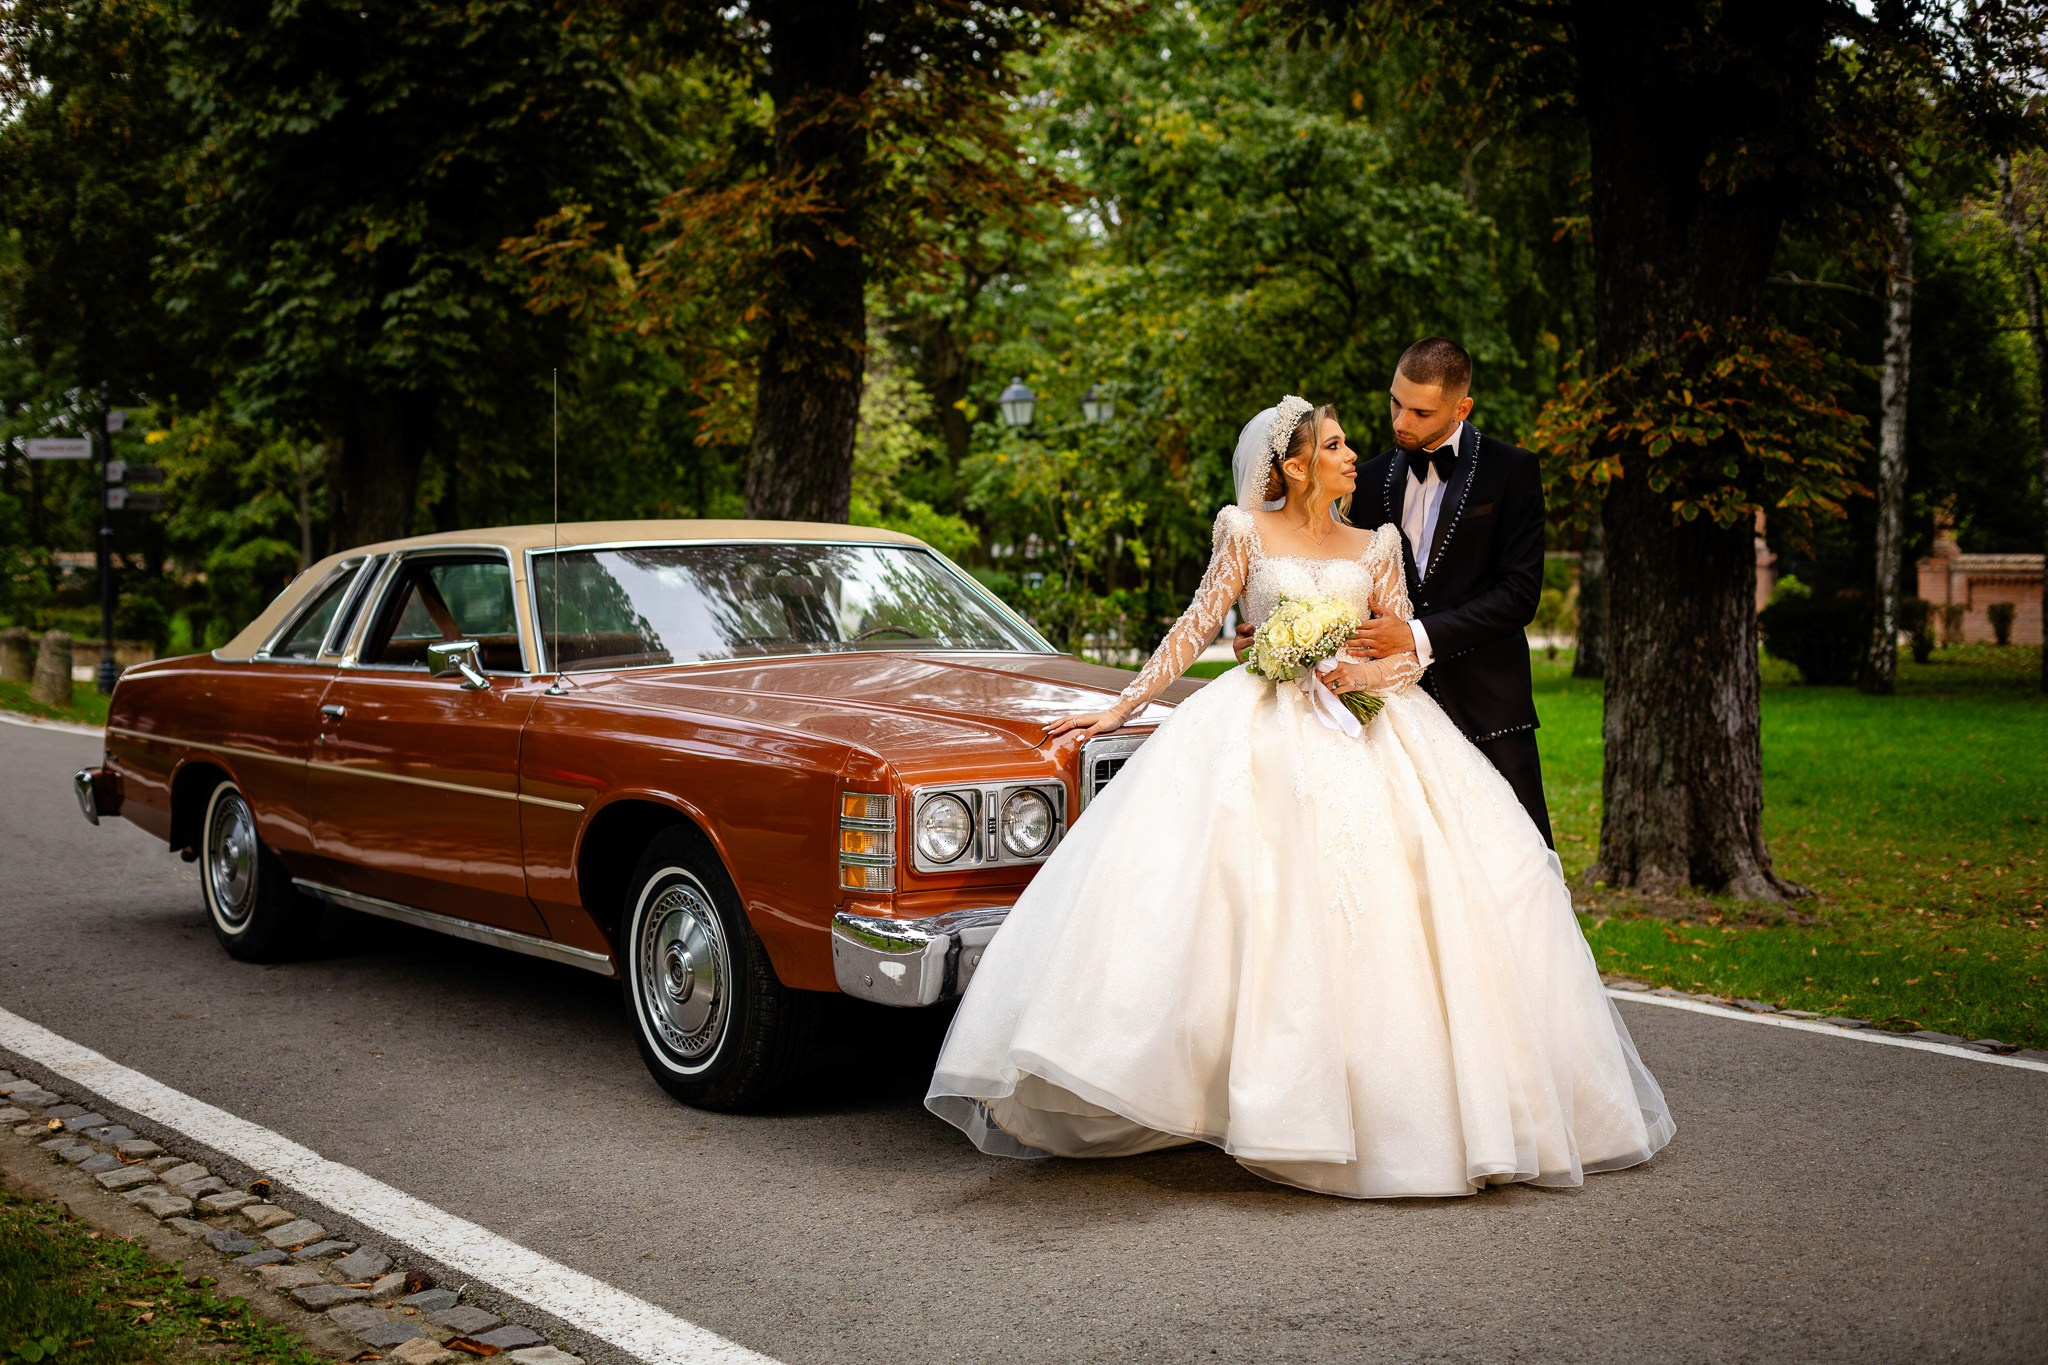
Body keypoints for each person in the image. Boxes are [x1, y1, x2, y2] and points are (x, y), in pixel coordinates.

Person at [924, 396, 1674, 1200]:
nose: (1357, 457)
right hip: (1259, 723)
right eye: (1338, 445)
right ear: (1294, 465)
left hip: (1367, 724)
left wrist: (1363, 672)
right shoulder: (1244, 532)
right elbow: (1196, 627)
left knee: (1430, 894)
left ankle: (1390, 1099)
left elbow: (1405, 649)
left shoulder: (1378, 544)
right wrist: (1120, 708)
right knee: (1233, 894)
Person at [1233, 337, 1555, 846]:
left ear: (1461, 408)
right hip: (1386, 710)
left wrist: (1414, 634)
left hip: (1488, 701)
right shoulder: (1367, 478)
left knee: (1520, 853)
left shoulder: (1510, 470)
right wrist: (1273, 631)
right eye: (1395, 403)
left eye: (1421, 412)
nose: (1401, 422)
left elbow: (1518, 595)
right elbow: (1327, 566)